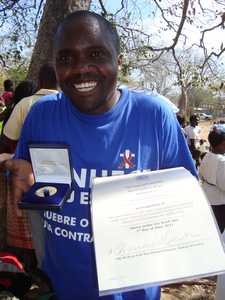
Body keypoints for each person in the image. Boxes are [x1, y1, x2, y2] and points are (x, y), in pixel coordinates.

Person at [1, 11, 197, 300]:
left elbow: (186, 201)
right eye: (66, 59)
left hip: (134, 292)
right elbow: (24, 173)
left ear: (118, 61)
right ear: (55, 67)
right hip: (60, 287)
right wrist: (14, 172)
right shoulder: (41, 115)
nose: (81, 69)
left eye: (96, 54)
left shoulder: (154, 117)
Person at [3, 63, 58, 153]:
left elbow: (9, 137)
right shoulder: (71, 104)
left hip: (27, 161)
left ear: (39, 81)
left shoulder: (25, 103)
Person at [199, 124, 225, 233]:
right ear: (223, 144)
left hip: (207, 199)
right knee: (219, 232)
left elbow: (201, 174)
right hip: (219, 203)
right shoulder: (222, 162)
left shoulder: (207, 156)